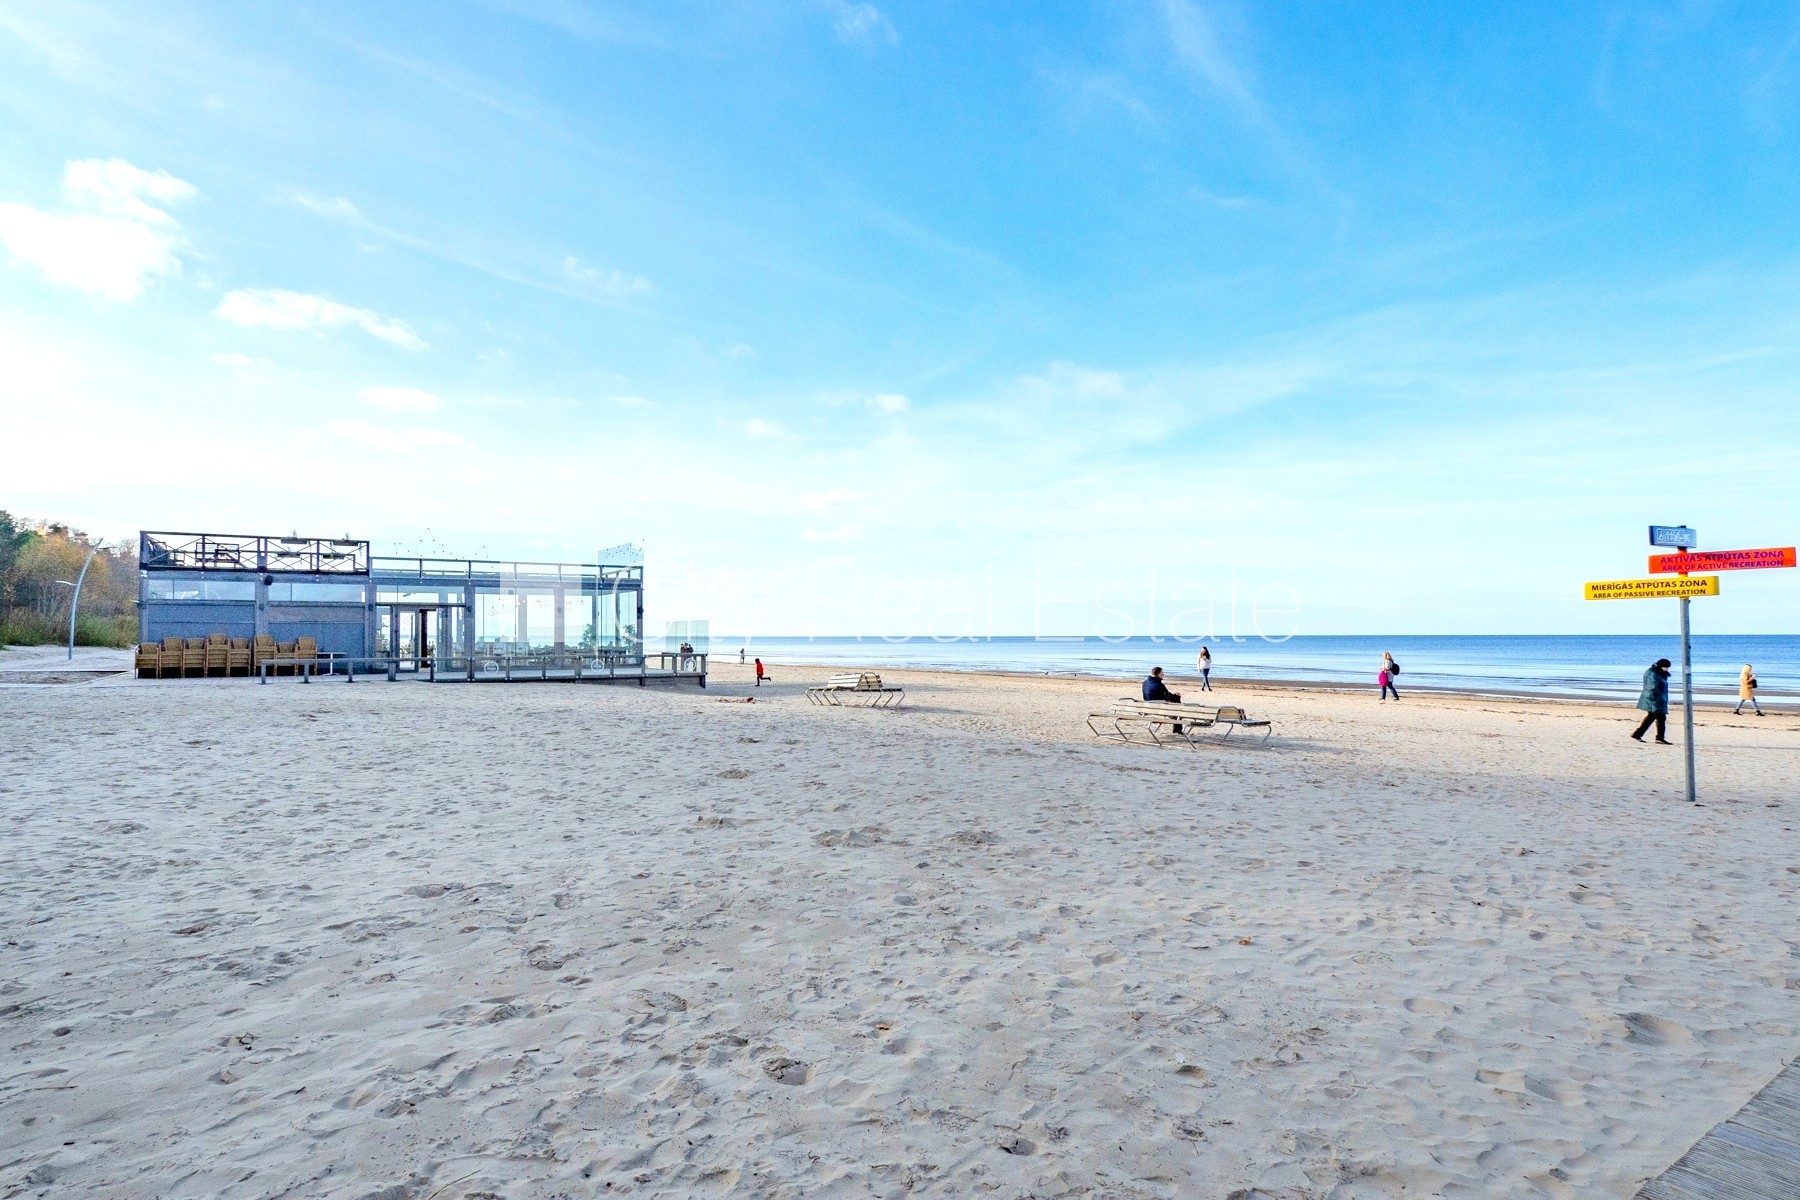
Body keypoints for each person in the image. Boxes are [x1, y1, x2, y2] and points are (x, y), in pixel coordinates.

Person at [1631, 658, 1673, 743]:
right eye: (1666, 667)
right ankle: (1659, 738)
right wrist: (1658, 698)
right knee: (1661, 717)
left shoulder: (1659, 672)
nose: (1667, 669)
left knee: (1651, 717)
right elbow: (1652, 688)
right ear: (1660, 666)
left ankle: (1637, 734)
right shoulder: (1653, 673)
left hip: (1657, 699)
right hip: (1654, 699)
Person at [1142, 666, 1185, 733]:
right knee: (1177, 701)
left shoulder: (1145, 683)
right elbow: (1167, 697)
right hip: (1159, 707)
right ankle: (1177, 729)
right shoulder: (1159, 684)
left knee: (1175, 699)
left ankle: (1177, 727)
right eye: (1162, 673)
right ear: (1158, 674)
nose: (1163, 674)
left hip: (1148, 707)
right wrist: (1176, 696)